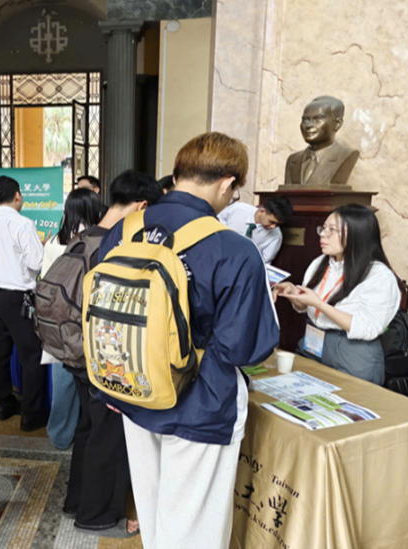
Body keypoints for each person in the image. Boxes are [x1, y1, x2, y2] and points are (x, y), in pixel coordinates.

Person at [97, 134, 279, 548]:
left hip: (133, 388)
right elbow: (244, 348)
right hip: (203, 402)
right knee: (192, 531)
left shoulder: (125, 231)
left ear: (177, 176)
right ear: (226, 183)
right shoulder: (234, 250)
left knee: (155, 515)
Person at [63, 171, 161, 538]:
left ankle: (77, 501)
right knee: (108, 433)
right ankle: (98, 514)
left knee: (87, 429)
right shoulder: (118, 245)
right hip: (102, 356)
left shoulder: (84, 236)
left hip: (72, 348)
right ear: (142, 206)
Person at [274, 204, 400, 385]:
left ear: (357, 234)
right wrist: (295, 294)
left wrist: (319, 304)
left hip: (352, 353)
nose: (323, 234)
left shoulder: (379, 276)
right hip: (314, 344)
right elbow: (308, 308)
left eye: (332, 230)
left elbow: (367, 327)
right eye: (323, 228)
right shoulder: (321, 262)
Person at [0, 176, 48, 431]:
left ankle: (4, 403)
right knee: (31, 353)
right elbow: (36, 263)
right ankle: (32, 414)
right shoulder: (22, 224)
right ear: (18, 196)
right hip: (17, 296)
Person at [42, 188, 102, 451]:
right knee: (89, 384)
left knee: (63, 383)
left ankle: (60, 435)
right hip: (89, 323)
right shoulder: (99, 241)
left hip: (59, 324)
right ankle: (87, 433)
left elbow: (45, 281)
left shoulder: (55, 241)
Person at [217, 195, 293, 264]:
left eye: (278, 224)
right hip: (219, 253)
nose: (273, 227)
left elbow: (265, 262)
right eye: (272, 222)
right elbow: (216, 219)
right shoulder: (238, 209)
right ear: (262, 211)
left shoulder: (276, 236)